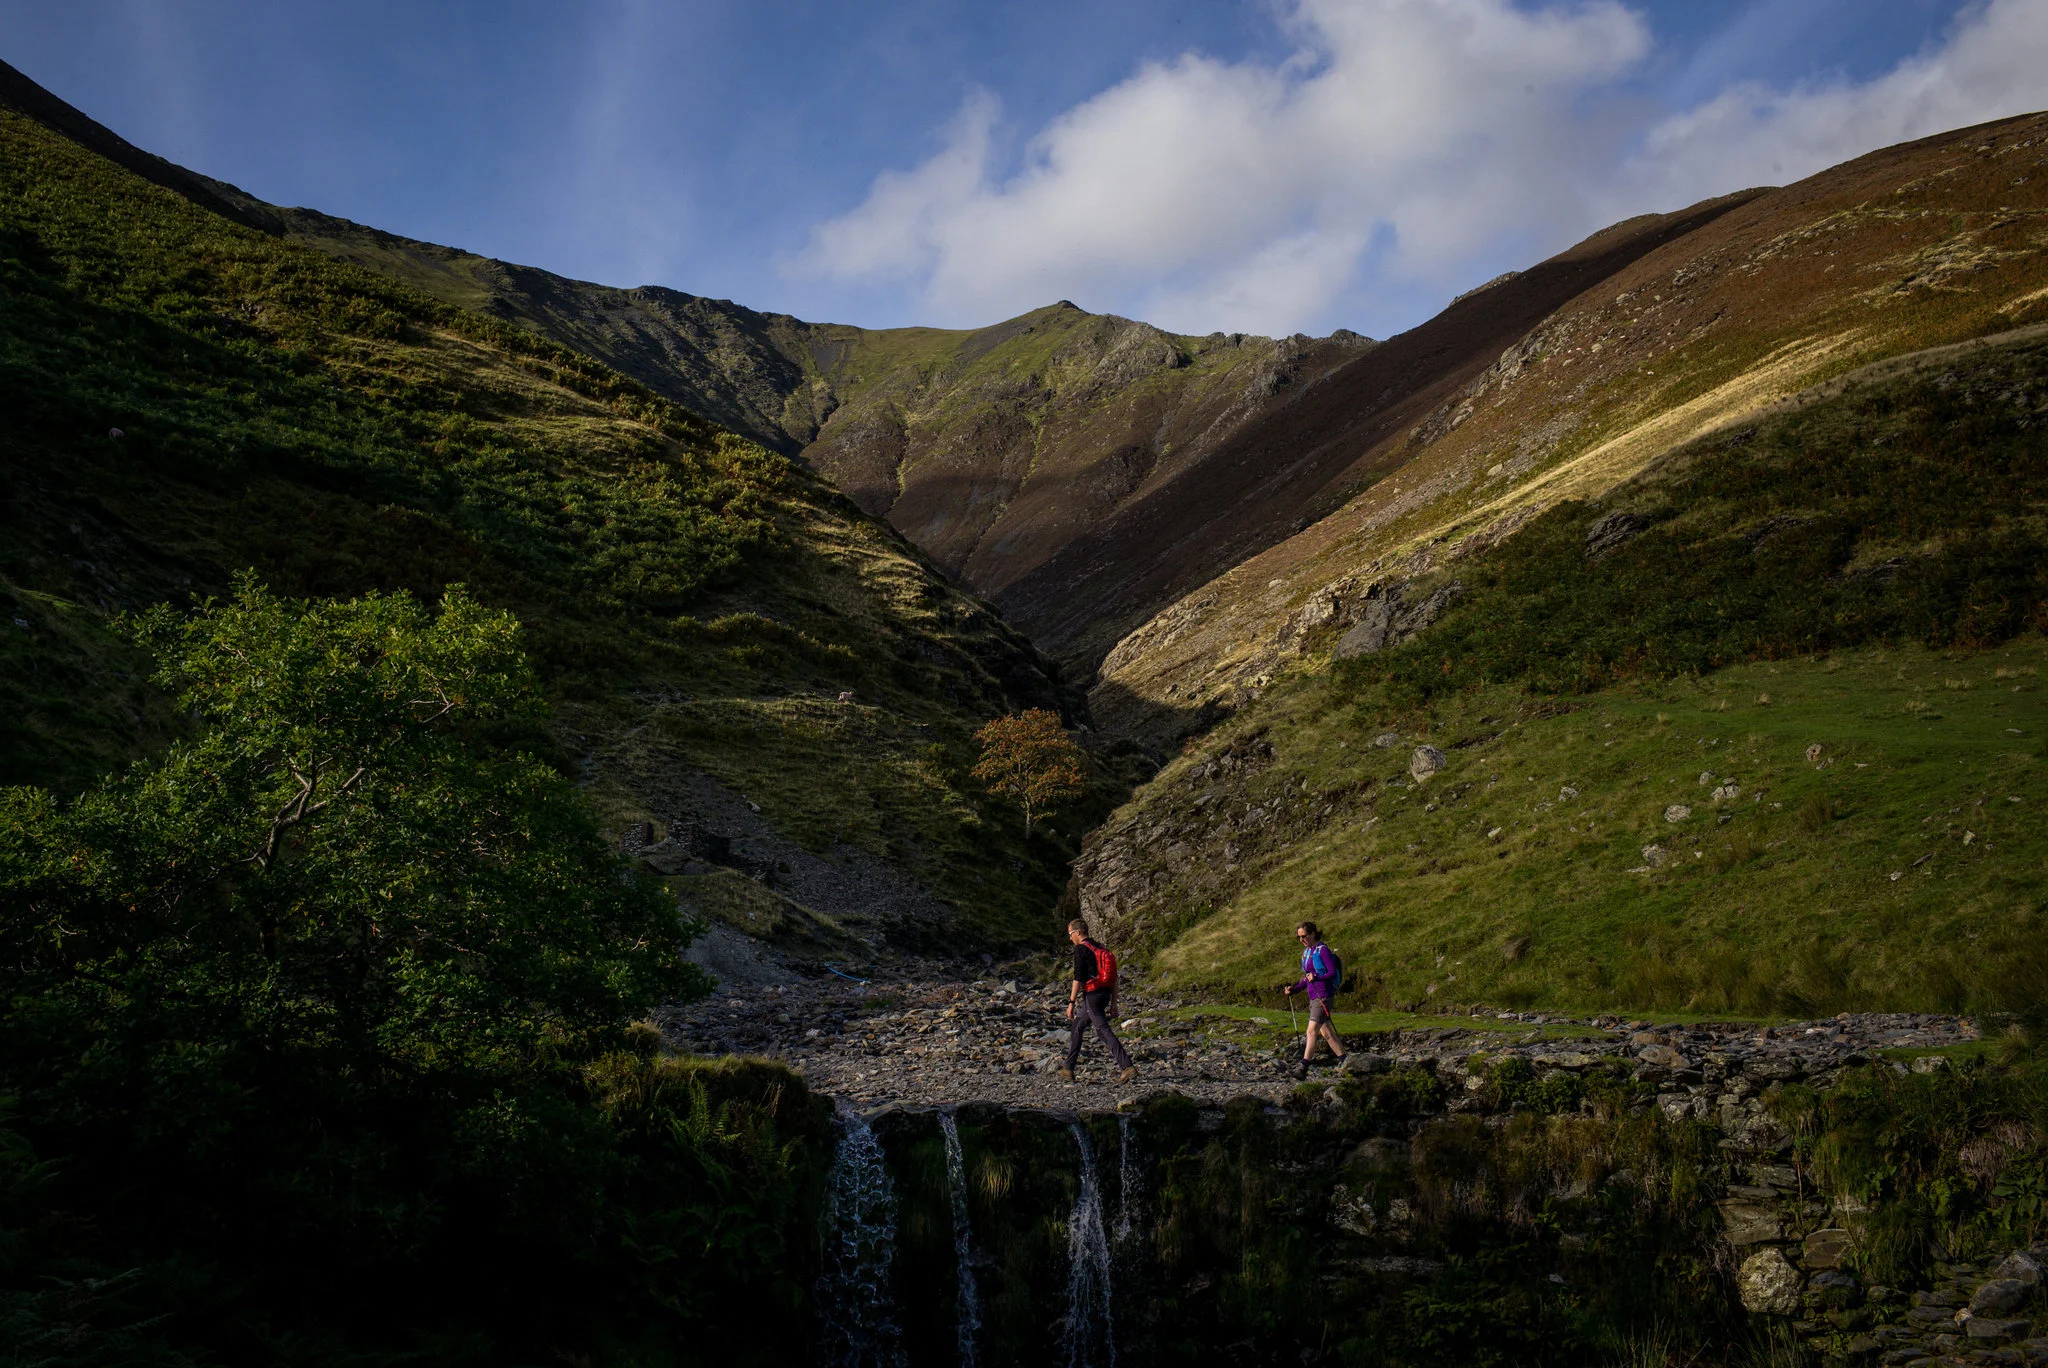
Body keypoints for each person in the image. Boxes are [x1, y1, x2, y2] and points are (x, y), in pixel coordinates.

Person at [1059, 919, 1137, 1084]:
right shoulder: (1100, 948)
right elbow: (1115, 978)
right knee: (1078, 1026)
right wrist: (1114, 1003)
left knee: (1102, 1030)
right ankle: (1068, 1069)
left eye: (1070, 934)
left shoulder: (1081, 949)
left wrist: (1071, 1002)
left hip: (1092, 995)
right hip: (1104, 994)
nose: (1070, 938)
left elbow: (1078, 978)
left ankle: (1127, 1067)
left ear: (1078, 932)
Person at [1281, 921, 1346, 1079]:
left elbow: (1331, 972)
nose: (1301, 940)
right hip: (1314, 996)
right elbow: (1306, 979)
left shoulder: (1322, 950)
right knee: (1327, 1033)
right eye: (1299, 937)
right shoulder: (1307, 952)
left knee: (1311, 1032)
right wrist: (1294, 989)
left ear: (1312, 934)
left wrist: (1316, 976)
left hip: (1323, 996)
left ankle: (1303, 1067)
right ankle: (1346, 1061)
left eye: (1304, 936)